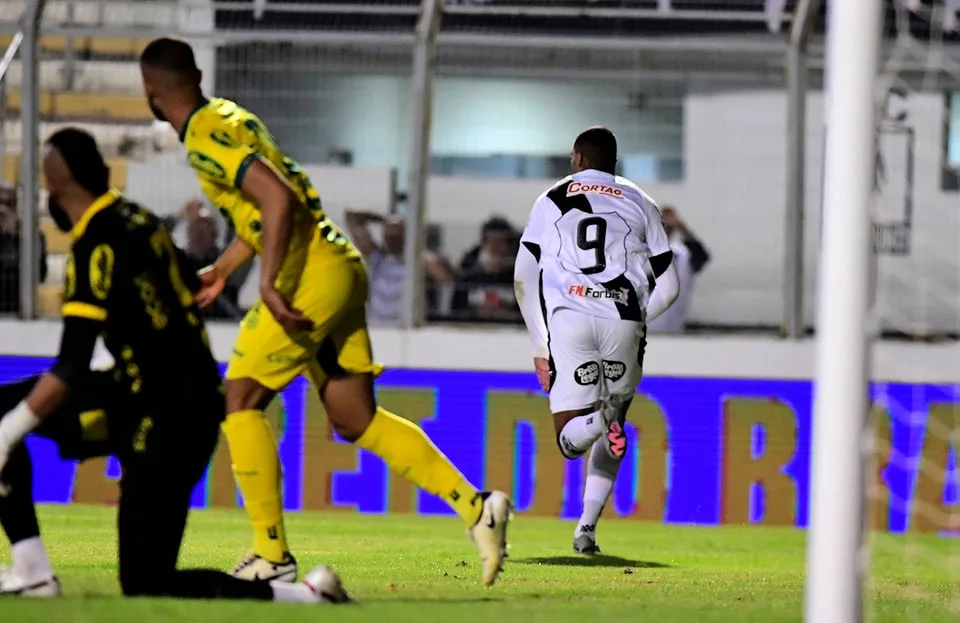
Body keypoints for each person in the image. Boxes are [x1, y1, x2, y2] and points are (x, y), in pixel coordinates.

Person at [139, 37, 512, 586]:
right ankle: (478, 507)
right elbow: (264, 210)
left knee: (240, 397)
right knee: (354, 418)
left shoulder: (201, 137)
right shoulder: (233, 116)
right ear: (196, 73)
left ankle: (272, 555)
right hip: (339, 263)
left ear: (150, 94)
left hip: (305, 276)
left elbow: (277, 199)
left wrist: (264, 282)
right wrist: (225, 267)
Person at [0, 128, 349, 604]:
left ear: (55, 188)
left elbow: (70, 367)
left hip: (168, 418)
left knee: (147, 581)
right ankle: (33, 572)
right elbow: (186, 287)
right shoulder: (139, 219)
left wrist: (8, 434)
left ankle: (308, 596)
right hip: (151, 397)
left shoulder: (94, 245)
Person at [513, 127, 679, 555]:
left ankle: (599, 420)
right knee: (615, 420)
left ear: (577, 158)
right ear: (615, 162)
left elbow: (523, 276)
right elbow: (671, 286)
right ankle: (586, 528)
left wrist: (540, 343)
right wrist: (636, 318)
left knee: (570, 438)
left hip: (571, 318)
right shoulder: (642, 201)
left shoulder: (552, 198)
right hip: (623, 319)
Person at [646, 206, 710, 334]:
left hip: (673, 321)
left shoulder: (683, 252)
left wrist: (683, 229)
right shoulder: (642, 246)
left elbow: (702, 257)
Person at [0, 183, 48, 314]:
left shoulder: (33, 237)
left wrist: (15, 236)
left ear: (16, 207)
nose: (2, 209)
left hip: (18, 308)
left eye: (8, 203)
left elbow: (40, 274)